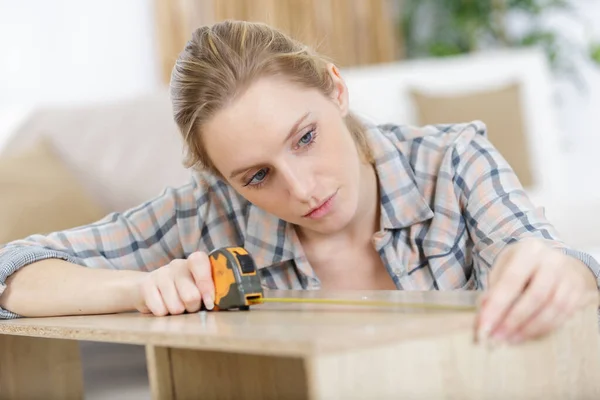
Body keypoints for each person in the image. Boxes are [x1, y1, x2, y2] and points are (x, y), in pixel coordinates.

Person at [0, 20, 598, 346]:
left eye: (305, 137)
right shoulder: (205, 213)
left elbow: (552, 261)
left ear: (335, 89)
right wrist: (141, 288)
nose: (303, 189)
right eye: (258, 176)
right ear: (223, 179)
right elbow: (15, 275)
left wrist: (556, 270)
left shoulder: (454, 161)